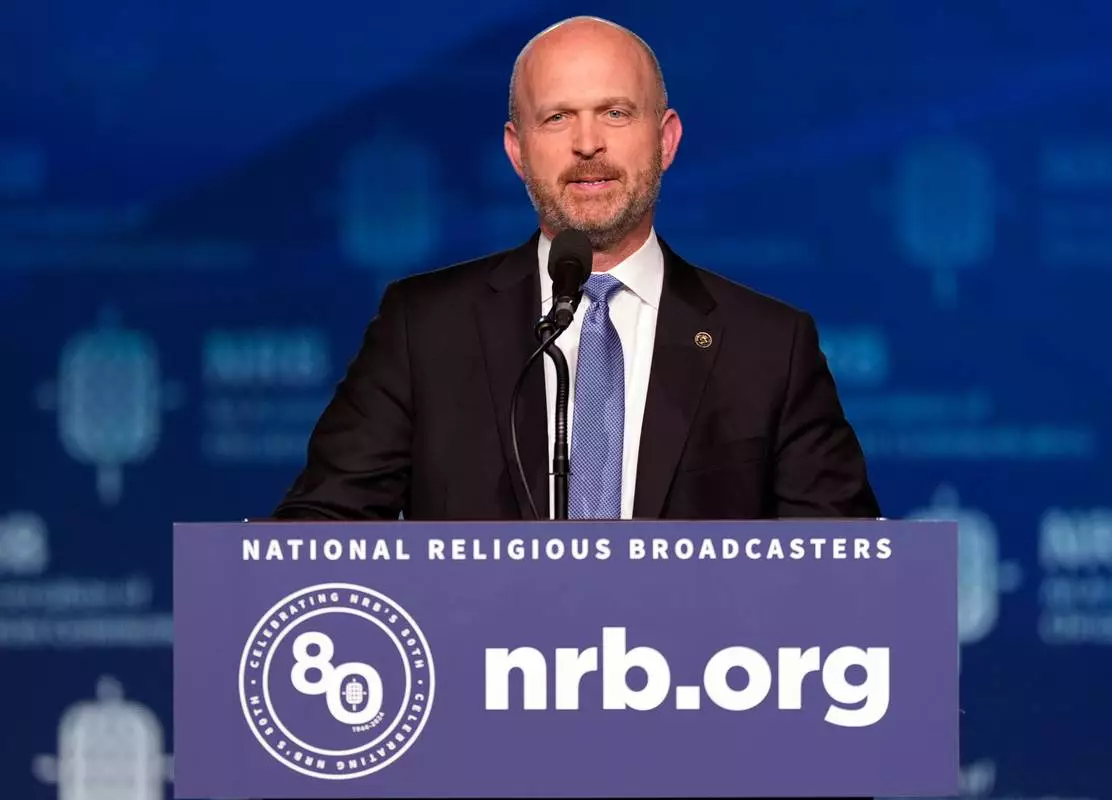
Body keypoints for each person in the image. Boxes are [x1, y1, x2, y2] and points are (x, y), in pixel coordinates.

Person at [271, 15, 880, 523]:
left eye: (615, 113)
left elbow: (845, 573)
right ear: (517, 150)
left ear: (665, 140)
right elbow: (319, 534)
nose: (587, 143)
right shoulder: (422, 328)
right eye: (557, 118)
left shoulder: (770, 347)